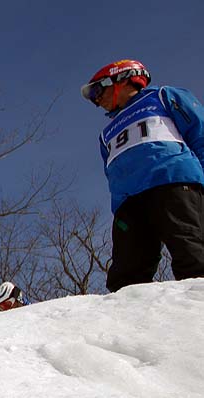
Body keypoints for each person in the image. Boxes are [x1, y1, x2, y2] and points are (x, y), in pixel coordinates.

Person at [81, 59, 204, 292]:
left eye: (98, 90)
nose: (97, 101)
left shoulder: (162, 97)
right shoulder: (106, 133)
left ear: (121, 78)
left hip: (173, 183)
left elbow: (200, 134)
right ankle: (127, 313)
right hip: (128, 203)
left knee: (191, 251)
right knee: (125, 276)